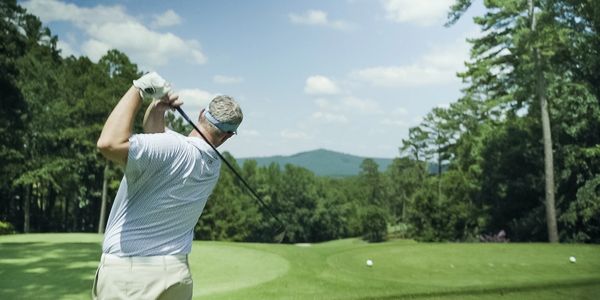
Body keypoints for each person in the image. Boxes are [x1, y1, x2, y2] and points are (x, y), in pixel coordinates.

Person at [93, 72, 243, 300]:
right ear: (228, 136)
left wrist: (139, 89)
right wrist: (157, 109)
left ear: (202, 114)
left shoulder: (172, 148)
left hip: (130, 272)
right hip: (177, 274)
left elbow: (108, 144)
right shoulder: (212, 166)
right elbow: (157, 142)